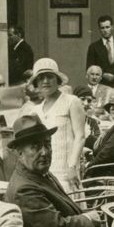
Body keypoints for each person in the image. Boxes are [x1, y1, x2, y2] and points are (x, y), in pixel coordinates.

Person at [4, 115, 110, 227]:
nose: (45, 152)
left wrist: (92, 224)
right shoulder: (24, 189)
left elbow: (64, 212)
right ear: (19, 152)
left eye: (47, 144)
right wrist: (89, 221)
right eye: (35, 147)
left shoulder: (38, 174)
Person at [20, 58, 86, 191]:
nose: (45, 81)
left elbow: (80, 136)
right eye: (41, 78)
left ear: (58, 80)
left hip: (67, 172)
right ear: (36, 83)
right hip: (46, 172)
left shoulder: (72, 102)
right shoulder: (35, 111)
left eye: (50, 77)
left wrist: (72, 166)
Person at [86, 14, 114, 79]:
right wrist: (103, 75)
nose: (105, 30)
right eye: (102, 28)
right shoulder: (94, 47)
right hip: (102, 83)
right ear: (99, 29)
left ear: (112, 27)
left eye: (107, 27)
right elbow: (89, 69)